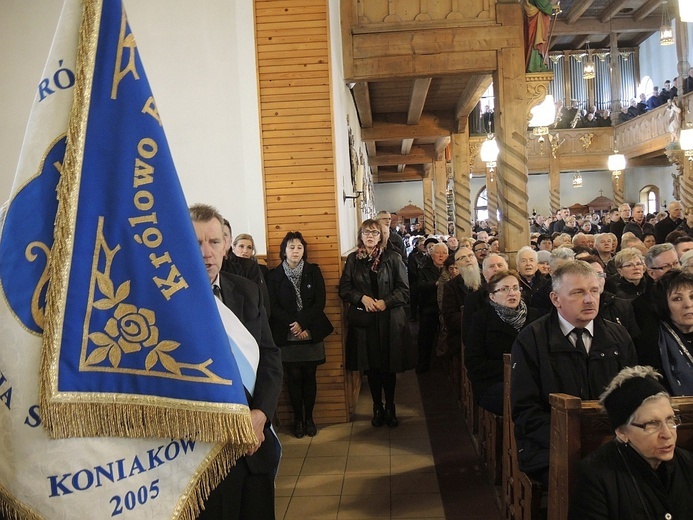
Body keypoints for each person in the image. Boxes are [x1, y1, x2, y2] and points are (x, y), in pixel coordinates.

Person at [190, 204, 282, 520]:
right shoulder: (167, 304)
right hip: (204, 459)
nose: (206, 252)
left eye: (214, 242)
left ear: (226, 244)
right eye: (196, 242)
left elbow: (270, 356)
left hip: (254, 447)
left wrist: (261, 414)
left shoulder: (246, 290)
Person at [510, 260, 637, 486]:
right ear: (556, 299)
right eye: (578, 293)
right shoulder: (532, 339)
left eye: (594, 291)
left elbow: (633, 397)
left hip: (612, 439)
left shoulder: (618, 336)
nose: (589, 299)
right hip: (549, 444)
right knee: (592, 478)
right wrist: (573, 441)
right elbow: (525, 411)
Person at [569, 366, 693, 520]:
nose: (667, 434)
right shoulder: (596, 476)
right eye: (652, 424)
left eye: (670, 420)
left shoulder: (688, 463)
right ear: (622, 432)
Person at [339, 219, 415, 428]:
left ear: (381, 236)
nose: (370, 236)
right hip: (366, 322)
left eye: (374, 232)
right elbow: (344, 288)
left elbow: (404, 290)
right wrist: (361, 298)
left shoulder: (393, 258)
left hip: (389, 319)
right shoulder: (354, 259)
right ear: (361, 236)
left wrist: (385, 302)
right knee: (372, 368)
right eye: (366, 232)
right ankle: (376, 406)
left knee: (388, 367)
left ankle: (390, 406)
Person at [267, 231, 333, 439]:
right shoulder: (274, 275)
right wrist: (294, 325)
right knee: (293, 378)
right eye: (291, 247)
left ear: (304, 250)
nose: (295, 251)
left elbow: (320, 302)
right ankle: (297, 420)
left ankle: (310, 419)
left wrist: (303, 324)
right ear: (284, 251)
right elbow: (273, 305)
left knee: (310, 376)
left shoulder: (314, 271)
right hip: (286, 333)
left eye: (299, 247)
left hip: (311, 330)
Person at [466, 270, 540, 415]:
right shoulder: (482, 320)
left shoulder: (536, 317)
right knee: (521, 398)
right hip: (493, 382)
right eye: (505, 289)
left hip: (534, 381)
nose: (512, 293)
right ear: (492, 296)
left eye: (515, 288)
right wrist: (514, 368)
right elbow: (474, 362)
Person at [635, 269, 693, 394]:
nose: (688, 304)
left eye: (692, 296)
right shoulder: (652, 341)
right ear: (664, 304)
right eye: (677, 299)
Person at [442, 246, 482, 355]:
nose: (468, 260)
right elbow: (449, 316)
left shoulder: (487, 281)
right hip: (462, 333)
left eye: (470, 256)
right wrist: (475, 324)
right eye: (463, 258)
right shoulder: (451, 286)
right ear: (457, 264)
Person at [416, 242, 449, 373]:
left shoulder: (451, 268)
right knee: (426, 335)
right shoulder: (424, 269)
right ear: (431, 254)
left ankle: (445, 365)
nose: (441, 255)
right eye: (438, 252)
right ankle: (423, 362)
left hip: (446, 307)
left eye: (444, 253)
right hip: (430, 307)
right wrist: (436, 284)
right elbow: (419, 286)